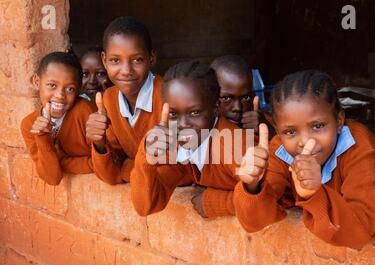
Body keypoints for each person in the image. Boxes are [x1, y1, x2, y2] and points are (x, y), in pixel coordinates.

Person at [234, 70, 375, 249]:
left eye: (318, 126)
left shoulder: (358, 147)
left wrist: (314, 195)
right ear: (278, 130)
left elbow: (362, 231)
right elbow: (254, 223)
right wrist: (252, 187)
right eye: (290, 132)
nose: (305, 142)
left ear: (340, 121)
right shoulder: (279, 149)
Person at [131, 61, 256, 218]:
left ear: (216, 108)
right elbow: (146, 207)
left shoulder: (235, 144)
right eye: (173, 114)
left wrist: (216, 202)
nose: (183, 125)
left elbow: (271, 199)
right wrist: (145, 156)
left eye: (195, 112)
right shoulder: (176, 145)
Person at [86, 16, 163, 185]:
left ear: (151, 58)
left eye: (137, 60)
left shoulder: (169, 98)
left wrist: (127, 169)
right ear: (104, 61)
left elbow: (175, 173)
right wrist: (99, 143)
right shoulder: (109, 99)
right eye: (115, 61)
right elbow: (110, 175)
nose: (126, 71)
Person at [21, 52, 96, 185]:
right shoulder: (30, 125)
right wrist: (42, 137)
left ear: (78, 90)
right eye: (52, 85)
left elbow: (103, 163)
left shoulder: (84, 111)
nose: (60, 95)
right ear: (37, 82)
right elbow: (52, 177)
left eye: (70, 89)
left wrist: (61, 161)